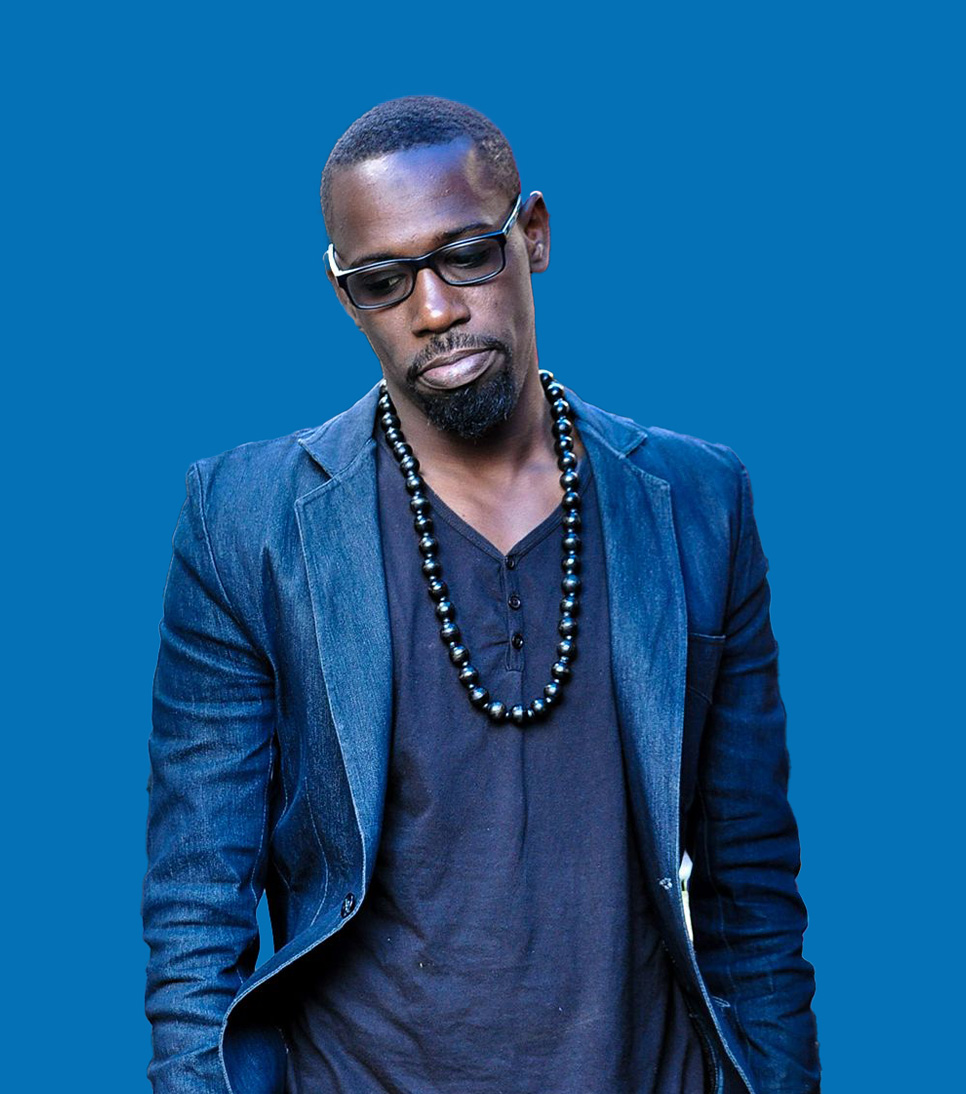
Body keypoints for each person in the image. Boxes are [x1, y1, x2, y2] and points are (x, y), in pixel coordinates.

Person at [142, 96, 820, 1094]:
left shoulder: (697, 503)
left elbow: (751, 887)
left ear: (532, 234)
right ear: (345, 296)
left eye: (465, 255)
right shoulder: (245, 521)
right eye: (384, 281)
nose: (434, 310)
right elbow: (195, 907)